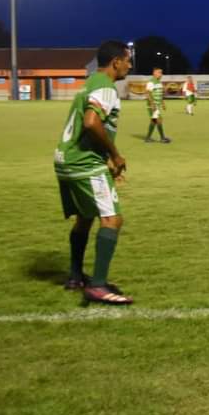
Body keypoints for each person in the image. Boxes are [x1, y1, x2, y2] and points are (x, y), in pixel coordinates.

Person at [53, 40, 134, 304]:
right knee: (112, 219)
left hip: (65, 160)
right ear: (116, 62)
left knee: (86, 216)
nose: (129, 65)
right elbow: (91, 121)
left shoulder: (89, 82)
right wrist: (114, 154)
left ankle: (76, 276)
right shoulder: (105, 86)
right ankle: (98, 286)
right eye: (127, 60)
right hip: (84, 164)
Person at [144, 68, 171, 143]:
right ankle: (162, 138)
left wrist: (163, 103)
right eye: (159, 72)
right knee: (159, 120)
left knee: (154, 121)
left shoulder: (159, 82)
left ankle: (148, 138)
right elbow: (147, 93)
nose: (161, 74)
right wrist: (152, 104)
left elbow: (160, 93)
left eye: (161, 73)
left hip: (157, 105)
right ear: (154, 73)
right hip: (152, 106)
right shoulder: (151, 82)